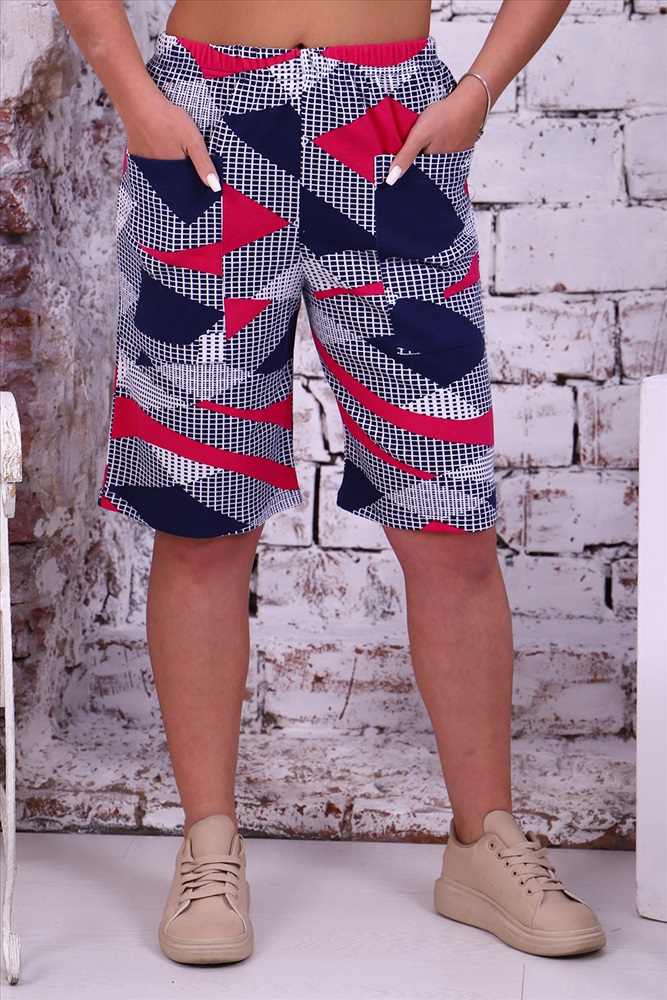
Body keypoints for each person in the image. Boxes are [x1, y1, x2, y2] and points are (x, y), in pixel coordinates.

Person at [53, 0, 606, 965]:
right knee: (201, 515)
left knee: (446, 515)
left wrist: (479, 90)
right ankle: (209, 846)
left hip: (393, 131)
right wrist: (135, 95)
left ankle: (483, 843)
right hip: (209, 123)